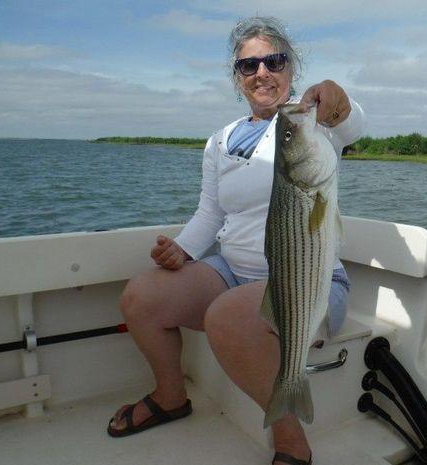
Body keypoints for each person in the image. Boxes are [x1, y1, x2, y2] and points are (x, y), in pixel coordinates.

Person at [107, 16, 365, 465]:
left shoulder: (311, 124)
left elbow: (350, 123)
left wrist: (335, 98)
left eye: (273, 61)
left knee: (227, 317)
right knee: (141, 297)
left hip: (310, 284)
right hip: (231, 271)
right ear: (237, 77)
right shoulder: (220, 140)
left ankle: (291, 441)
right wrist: (183, 248)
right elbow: (212, 212)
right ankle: (171, 397)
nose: (261, 72)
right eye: (249, 66)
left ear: (290, 68)